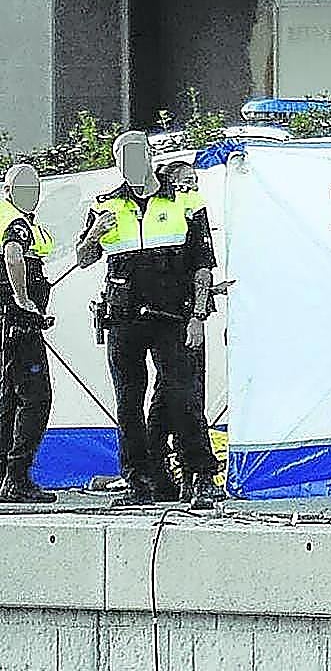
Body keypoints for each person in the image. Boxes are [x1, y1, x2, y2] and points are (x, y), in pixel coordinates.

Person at [75, 132, 221, 509]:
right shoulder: (105, 202)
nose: (129, 164)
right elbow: (84, 256)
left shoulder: (185, 200)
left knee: (183, 393)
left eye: (135, 155)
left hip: (173, 312)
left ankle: (199, 474)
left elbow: (202, 264)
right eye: (122, 158)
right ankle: (138, 479)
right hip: (124, 315)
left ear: (151, 156)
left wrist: (198, 316)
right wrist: (94, 234)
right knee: (128, 400)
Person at [144, 160, 220, 506]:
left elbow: (203, 267)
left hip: (185, 315)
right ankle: (183, 469)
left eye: (195, 181)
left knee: (175, 393)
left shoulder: (193, 216)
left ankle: (170, 469)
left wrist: (199, 314)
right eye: (185, 182)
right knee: (179, 394)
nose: (192, 188)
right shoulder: (163, 215)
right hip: (165, 317)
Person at [0, 164, 56, 503]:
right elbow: (13, 253)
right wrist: (23, 299)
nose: (30, 193)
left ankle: (7, 476)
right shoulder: (15, 222)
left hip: (10, 322)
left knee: (9, 398)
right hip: (17, 321)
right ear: (9, 190)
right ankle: (17, 477)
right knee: (36, 397)